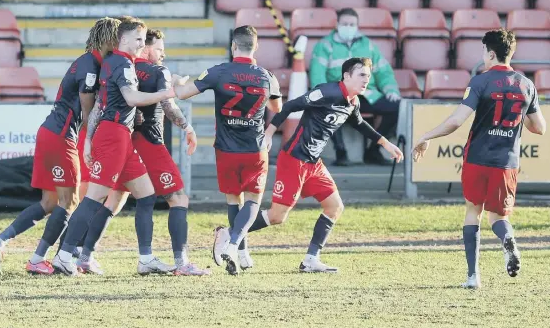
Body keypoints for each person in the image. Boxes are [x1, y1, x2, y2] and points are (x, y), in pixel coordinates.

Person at [213, 57, 404, 275]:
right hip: (294, 159)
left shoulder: (353, 102)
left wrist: (386, 143)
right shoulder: (327, 92)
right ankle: (228, 233)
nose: (366, 80)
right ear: (346, 76)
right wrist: (269, 132)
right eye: (361, 75)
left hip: (314, 164)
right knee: (277, 217)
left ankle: (311, 259)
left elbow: (359, 123)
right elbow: (292, 105)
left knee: (335, 207)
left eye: (368, 76)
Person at [0, 17, 120, 275]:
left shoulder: (87, 61)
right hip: (61, 137)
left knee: (50, 202)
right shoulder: (90, 67)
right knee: (70, 201)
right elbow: (89, 114)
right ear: (110, 39)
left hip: (50, 132)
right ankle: (37, 259)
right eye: (118, 39)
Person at [412, 29, 546, 289]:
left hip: (477, 158)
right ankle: (508, 240)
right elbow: (539, 128)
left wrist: (426, 136)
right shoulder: (526, 85)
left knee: (474, 212)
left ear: (491, 53)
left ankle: (473, 277)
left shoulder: (480, 82)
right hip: (507, 161)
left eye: (484, 51)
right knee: (498, 217)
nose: (483, 56)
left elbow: (456, 121)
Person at [77, 29, 210, 276]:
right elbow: (168, 105)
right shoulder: (158, 71)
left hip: (124, 142)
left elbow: (100, 102)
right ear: (147, 48)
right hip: (149, 142)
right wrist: (186, 126)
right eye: (159, 49)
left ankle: (85, 255)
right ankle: (181, 263)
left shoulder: (122, 65)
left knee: (114, 201)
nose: (162, 54)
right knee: (178, 198)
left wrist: (89, 140)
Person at [52, 17, 175, 276]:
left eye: (144, 40)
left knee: (146, 194)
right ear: (124, 40)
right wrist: (167, 93)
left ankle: (146, 259)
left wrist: (88, 139)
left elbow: (100, 104)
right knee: (94, 197)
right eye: (139, 39)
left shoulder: (112, 62)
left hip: (119, 134)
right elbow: (131, 98)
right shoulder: (122, 63)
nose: (143, 44)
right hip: (115, 136)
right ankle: (64, 255)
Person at [172, 25, 282, 272]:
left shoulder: (218, 72)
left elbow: (183, 94)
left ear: (233, 46)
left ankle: (241, 252)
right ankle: (234, 245)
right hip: (254, 148)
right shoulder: (267, 76)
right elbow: (277, 109)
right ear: (256, 46)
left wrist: (177, 80)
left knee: (234, 199)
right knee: (253, 201)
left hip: (225, 148)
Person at [309, 8, 401, 166]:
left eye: (352, 24)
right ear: (337, 24)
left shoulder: (368, 45)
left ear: (357, 25)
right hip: (339, 94)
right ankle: (341, 153)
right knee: (327, 107)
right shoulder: (324, 45)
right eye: (345, 24)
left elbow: (383, 71)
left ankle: (373, 151)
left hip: (367, 94)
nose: (348, 27)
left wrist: (391, 90)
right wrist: (326, 94)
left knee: (397, 106)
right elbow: (317, 75)